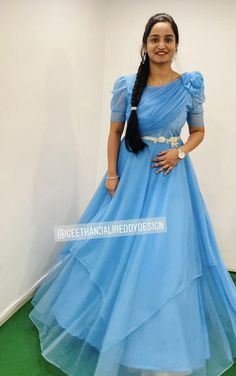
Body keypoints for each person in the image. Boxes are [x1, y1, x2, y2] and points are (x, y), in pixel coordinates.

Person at [29, 12, 236, 376]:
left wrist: (181, 152)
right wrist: (111, 173)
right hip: (130, 174)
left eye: (168, 38)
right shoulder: (127, 85)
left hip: (171, 176)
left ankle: (160, 344)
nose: (161, 45)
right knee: (112, 244)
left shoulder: (189, 86)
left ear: (176, 44)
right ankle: (101, 325)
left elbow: (198, 131)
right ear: (145, 44)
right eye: (155, 38)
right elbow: (114, 133)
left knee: (165, 255)